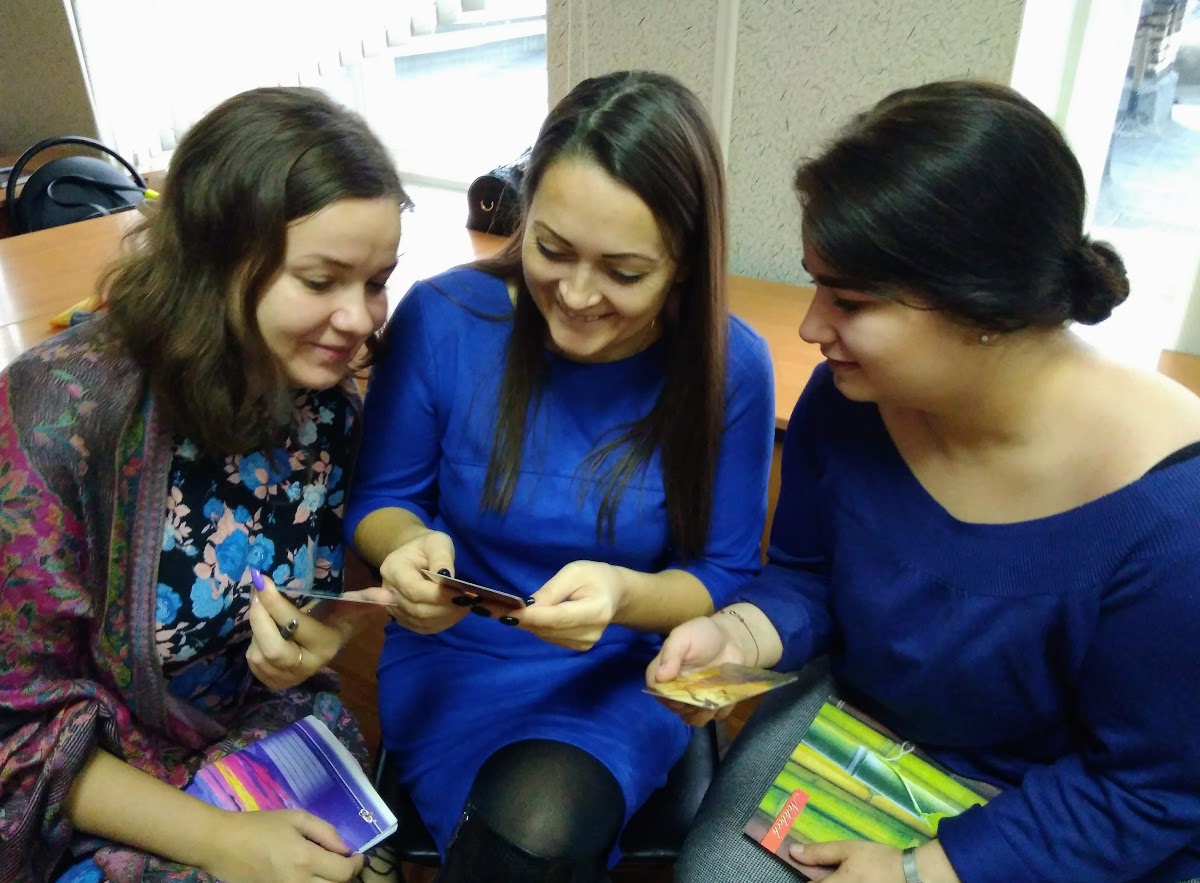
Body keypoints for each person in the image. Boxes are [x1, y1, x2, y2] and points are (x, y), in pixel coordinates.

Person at [649, 80, 1200, 883]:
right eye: (816, 284)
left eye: (850, 300)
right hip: (868, 725)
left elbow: (1146, 786)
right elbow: (808, 575)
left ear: (985, 305)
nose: (811, 325)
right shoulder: (850, 399)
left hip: (1064, 804)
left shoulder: (1174, 515)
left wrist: (926, 871)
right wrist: (739, 637)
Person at [346, 70, 775, 880]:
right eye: (551, 250)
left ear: (684, 262)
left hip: (620, 669)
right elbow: (382, 498)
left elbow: (722, 572)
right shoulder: (446, 318)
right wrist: (405, 547)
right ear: (524, 214)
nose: (576, 295)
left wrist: (622, 594)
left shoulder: (731, 367)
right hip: (451, 653)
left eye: (624, 272)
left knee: (535, 832)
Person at [0, 86, 410, 882]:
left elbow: (318, 595)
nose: (361, 319)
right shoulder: (58, 415)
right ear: (214, 263)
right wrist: (221, 841)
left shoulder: (324, 403)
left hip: (253, 730)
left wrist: (320, 635)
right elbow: (19, 730)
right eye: (321, 280)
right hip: (90, 784)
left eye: (376, 281)